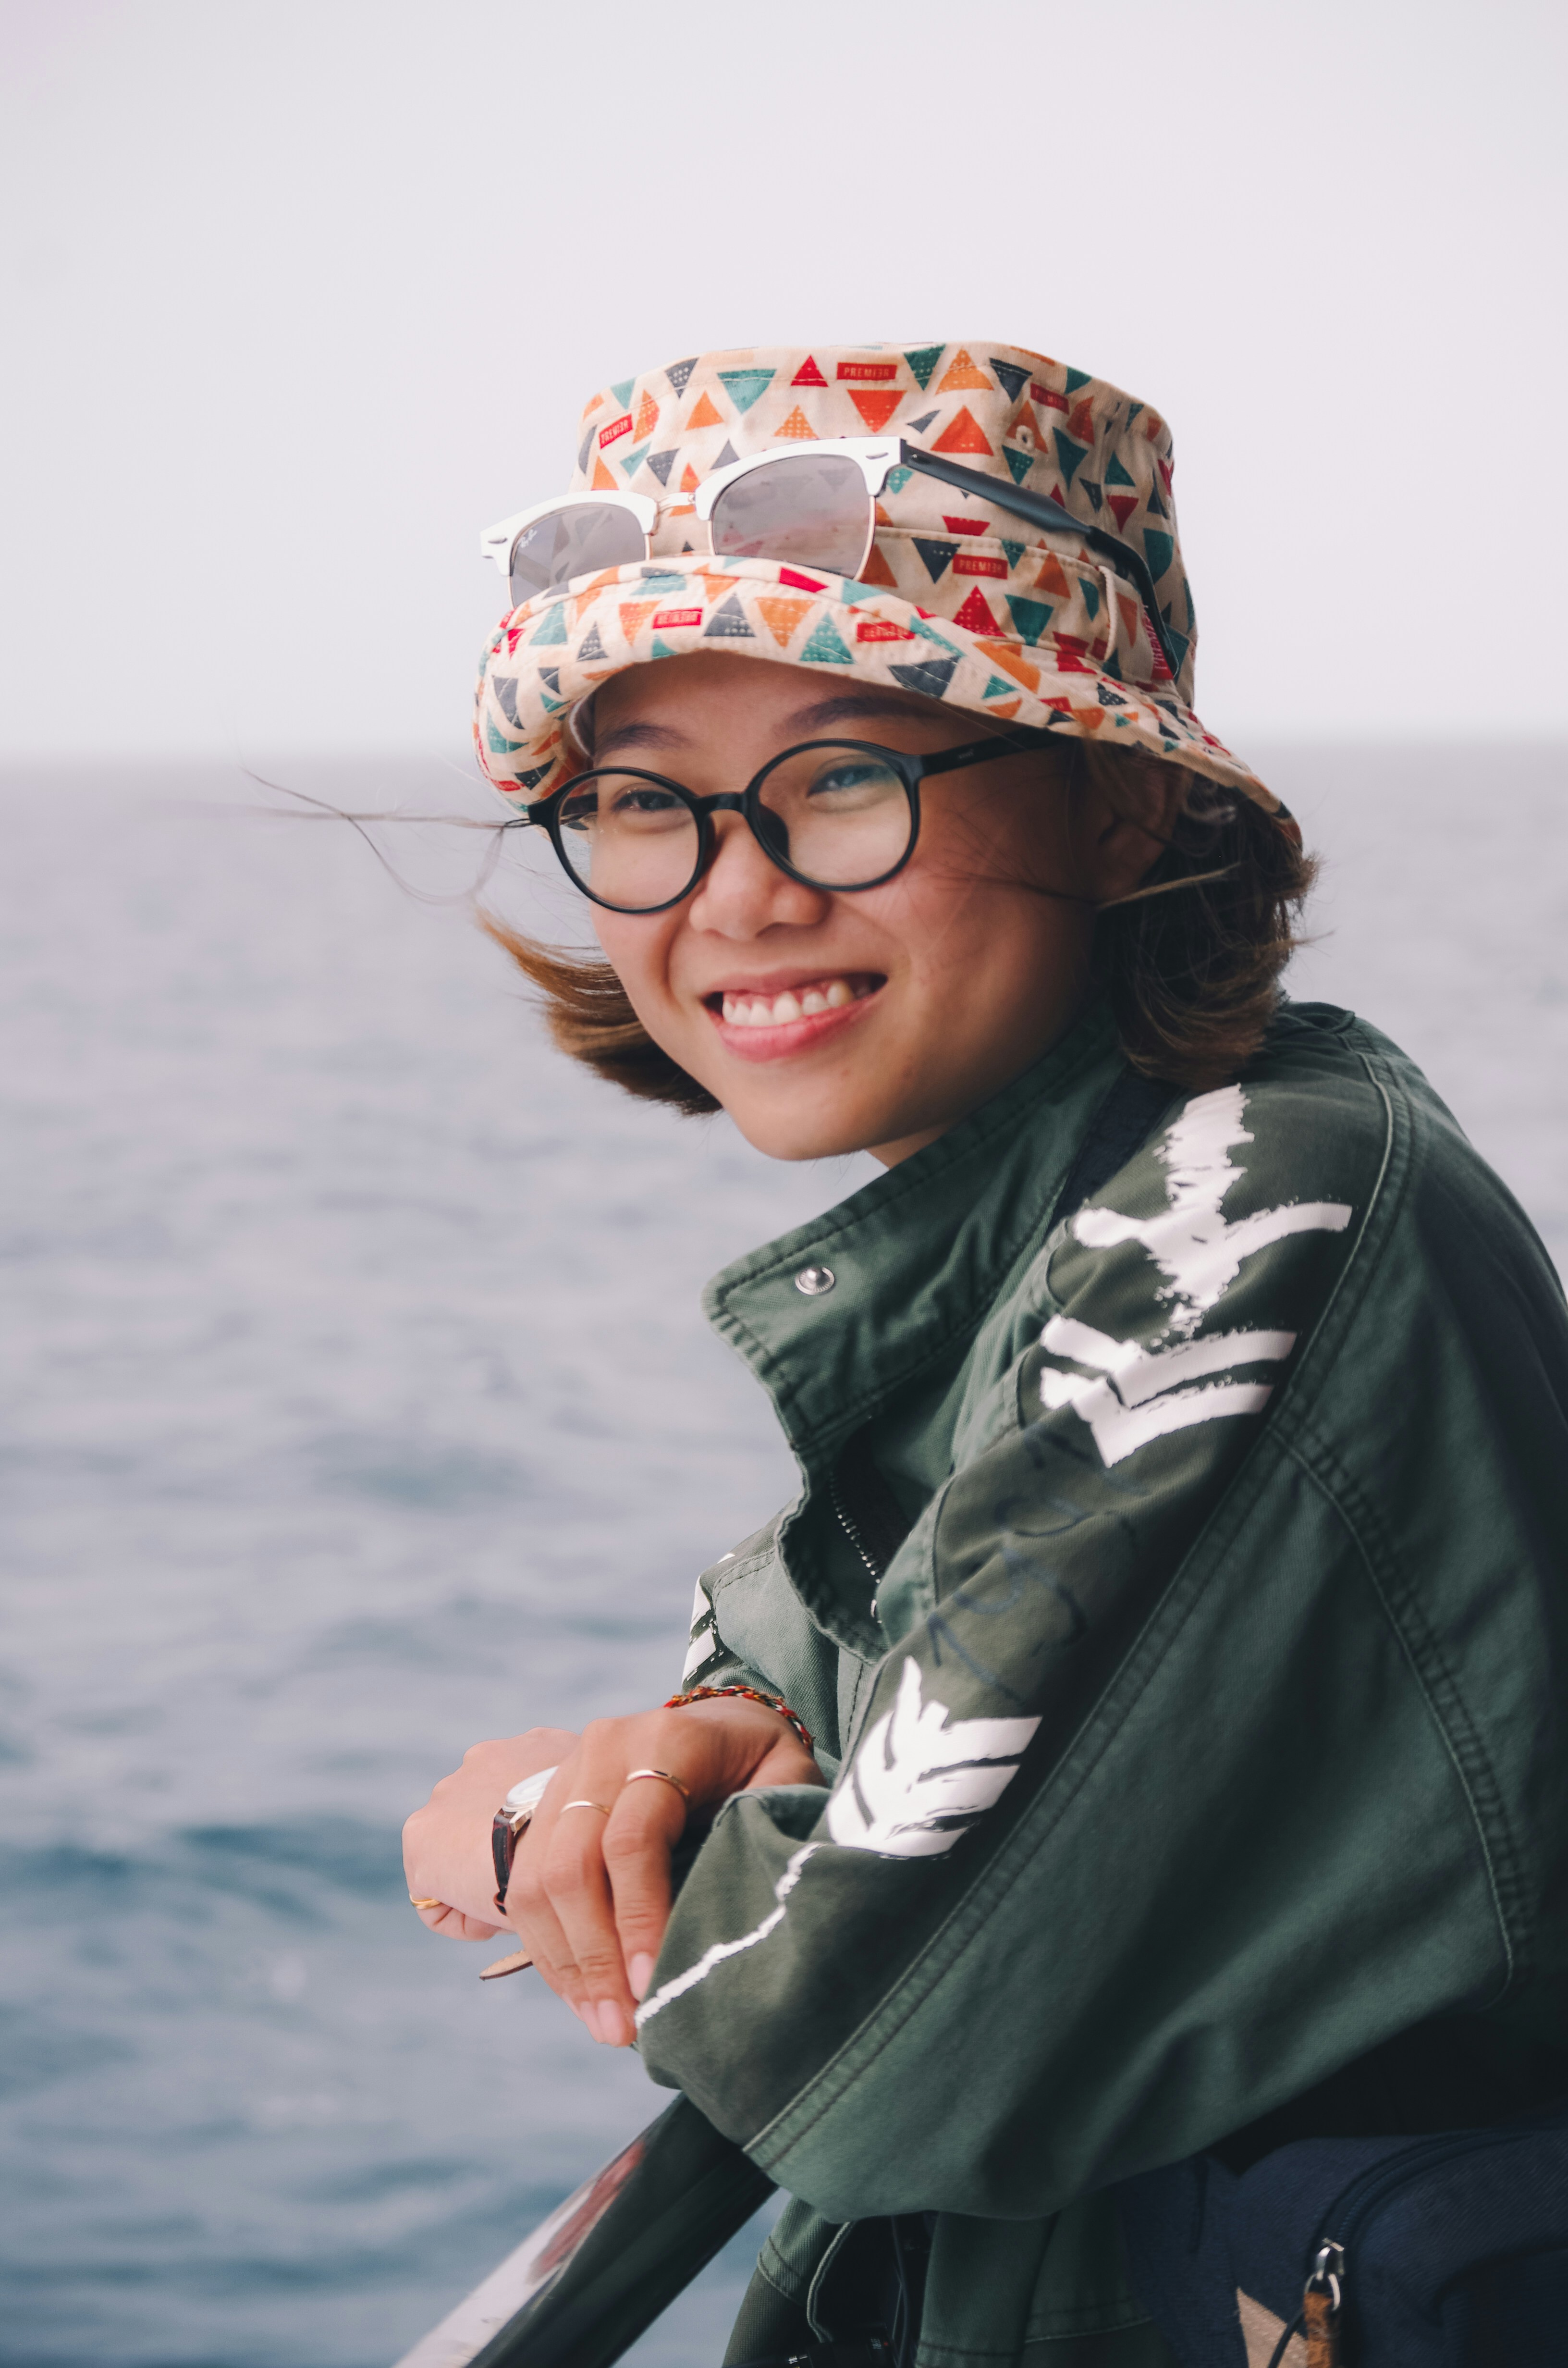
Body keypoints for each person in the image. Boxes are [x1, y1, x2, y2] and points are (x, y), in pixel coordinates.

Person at [402, 343, 1568, 2367]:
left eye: (847, 774)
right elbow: (911, 1613)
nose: (736, 889)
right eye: (639, 804)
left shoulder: (1249, 1214)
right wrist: (720, 1715)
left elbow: (861, 2011)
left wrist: (524, 1825)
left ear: (1121, 806)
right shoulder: (1094, 1183)